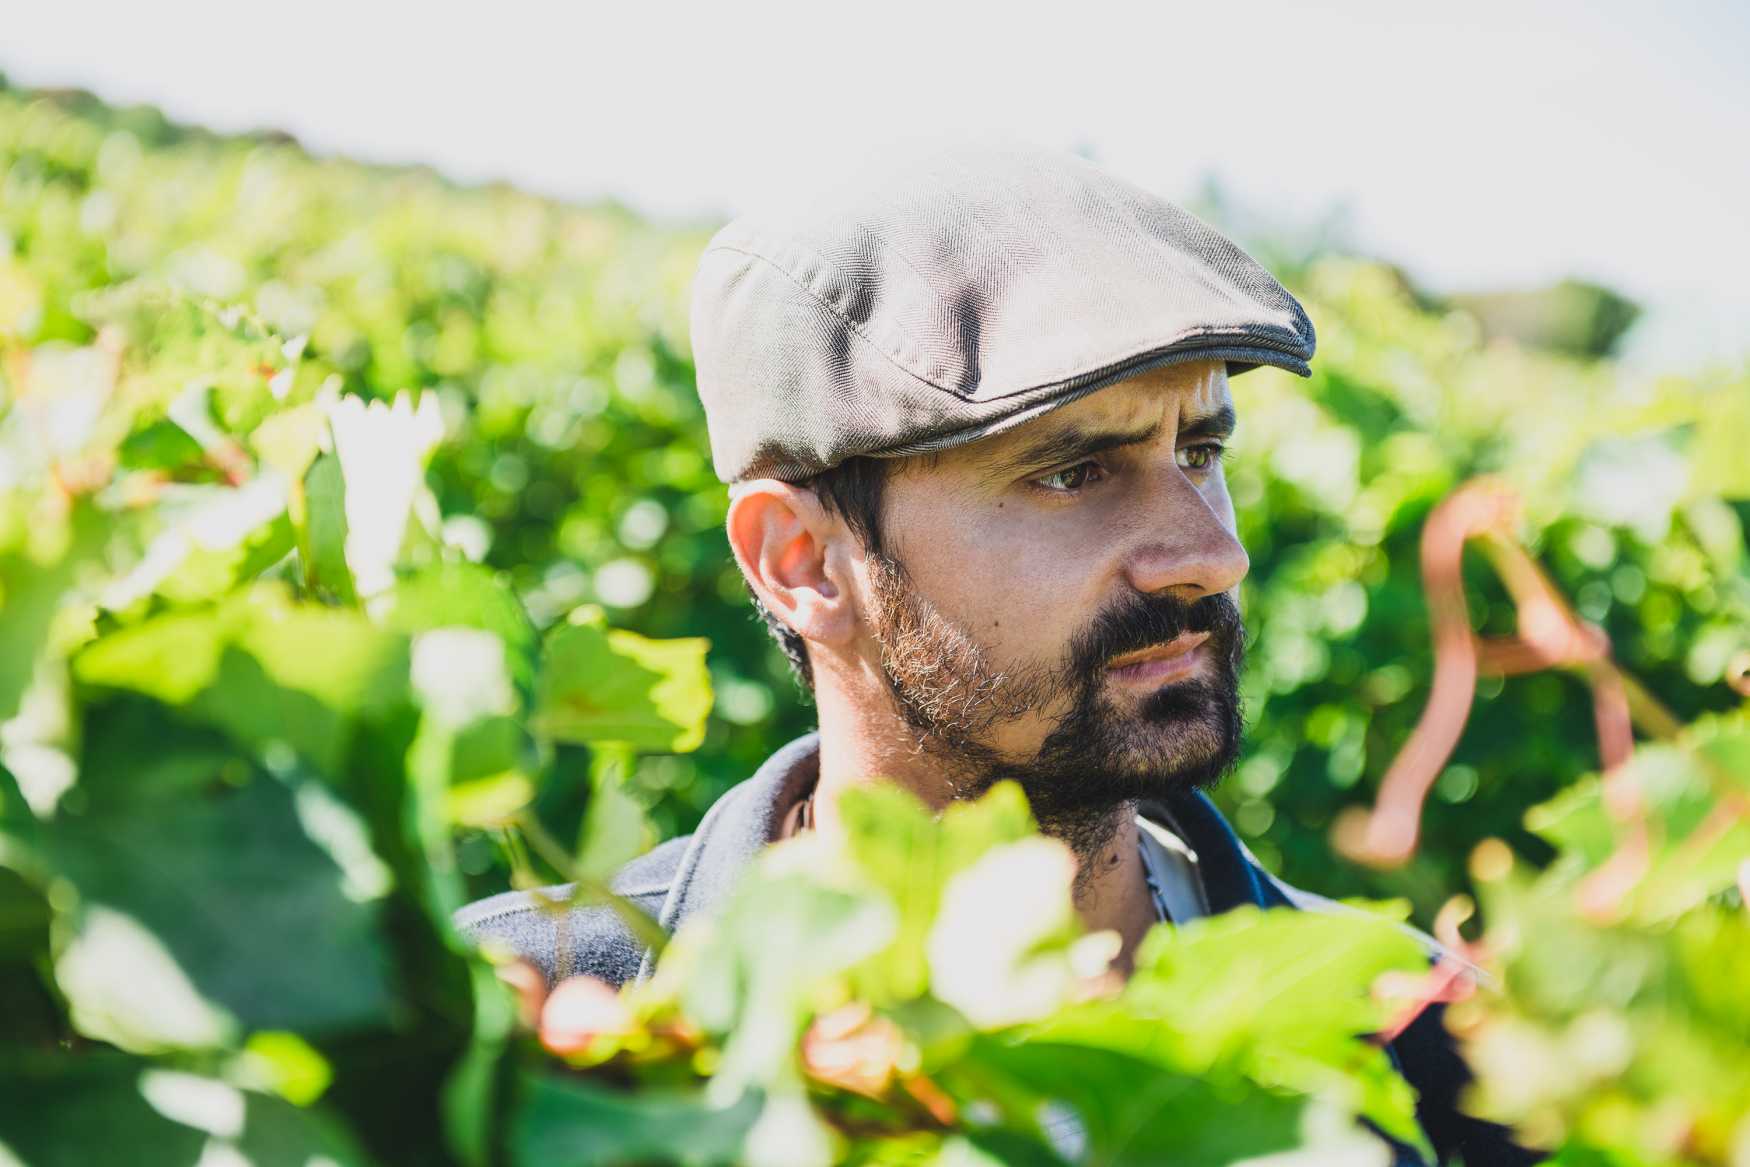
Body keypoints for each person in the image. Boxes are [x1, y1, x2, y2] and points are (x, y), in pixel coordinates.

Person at [456, 143, 1538, 1164]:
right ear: (803, 561)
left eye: (1199, 451)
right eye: (1072, 473)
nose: (1212, 555)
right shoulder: (515, 1049)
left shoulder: (1438, 1048)